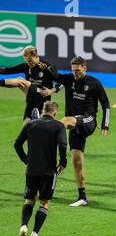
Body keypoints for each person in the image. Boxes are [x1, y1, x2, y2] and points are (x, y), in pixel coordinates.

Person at [44, 56, 110, 207]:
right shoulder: (69, 79)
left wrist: (105, 125)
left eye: (78, 71)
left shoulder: (94, 82)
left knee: (66, 119)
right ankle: (83, 197)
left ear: (85, 68)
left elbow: (105, 103)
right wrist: (46, 66)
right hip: (75, 127)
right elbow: (56, 76)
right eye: (73, 71)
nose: (76, 74)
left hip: (88, 121)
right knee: (77, 161)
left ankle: (44, 130)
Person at [14, 101, 67, 236]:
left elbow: (17, 144)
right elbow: (62, 145)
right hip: (48, 172)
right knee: (44, 202)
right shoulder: (59, 126)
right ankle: (34, 234)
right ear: (54, 113)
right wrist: (63, 163)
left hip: (31, 170)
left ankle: (23, 226)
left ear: (43, 111)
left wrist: (26, 160)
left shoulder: (30, 124)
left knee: (29, 200)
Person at [0, 46, 60, 125]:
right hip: (31, 98)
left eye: (30, 61)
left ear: (36, 57)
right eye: (27, 61)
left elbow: (61, 82)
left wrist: (51, 91)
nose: (29, 64)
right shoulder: (26, 66)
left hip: (43, 98)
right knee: (26, 125)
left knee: (21, 80)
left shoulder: (47, 67)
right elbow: (6, 71)